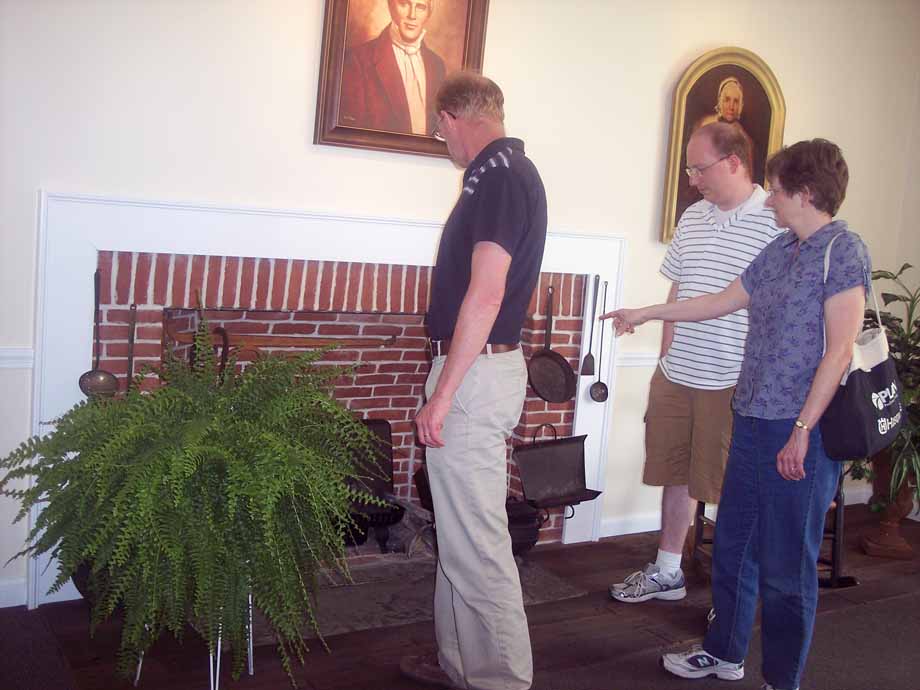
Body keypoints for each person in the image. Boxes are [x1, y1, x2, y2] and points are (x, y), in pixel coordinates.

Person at [603, 138, 869, 690]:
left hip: (801, 430)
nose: (769, 200)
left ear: (806, 192)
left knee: (787, 566)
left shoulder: (842, 250)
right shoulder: (781, 250)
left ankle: (782, 679)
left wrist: (802, 430)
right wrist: (647, 312)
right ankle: (724, 653)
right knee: (733, 546)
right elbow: (720, 300)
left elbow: (840, 350)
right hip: (748, 417)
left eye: (777, 190)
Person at [399, 72, 547, 690]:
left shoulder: (503, 178)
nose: (443, 141)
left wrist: (444, 393)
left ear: (454, 117)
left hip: (474, 373)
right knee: (459, 534)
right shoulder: (497, 176)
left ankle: (502, 681)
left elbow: (486, 295)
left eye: (440, 130)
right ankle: (461, 664)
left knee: (478, 542)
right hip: (477, 368)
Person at [608, 122, 783, 605]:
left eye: (699, 168)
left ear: (734, 162)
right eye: (688, 169)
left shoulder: (773, 220)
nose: (692, 179)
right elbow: (678, 290)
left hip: (733, 380)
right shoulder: (693, 217)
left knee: (730, 487)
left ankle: (732, 599)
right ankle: (668, 571)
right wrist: (664, 359)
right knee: (676, 472)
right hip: (678, 373)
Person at [339, 0, 447, 136]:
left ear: (428, 13)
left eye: (420, 7)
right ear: (390, 6)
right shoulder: (358, 60)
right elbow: (351, 135)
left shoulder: (437, 65)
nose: (412, 15)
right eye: (404, 4)